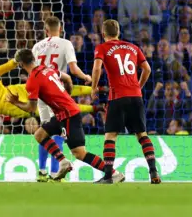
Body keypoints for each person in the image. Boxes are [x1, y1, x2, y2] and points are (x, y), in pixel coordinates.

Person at [8, 49, 123, 182]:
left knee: (80, 153)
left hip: (69, 115)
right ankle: (63, 161)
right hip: (62, 114)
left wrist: (15, 102)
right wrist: (66, 95)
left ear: (21, 64)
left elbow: (32, 108)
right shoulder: (47, 69)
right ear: (33, 59)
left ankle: (113, 173)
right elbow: (67, 78)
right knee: (39, 134)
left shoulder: (32, 80)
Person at [90, 19, 159, 184]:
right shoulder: (133, 47)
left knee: (111, 136)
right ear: (118, 32)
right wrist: (138, 86)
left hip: (117, 96)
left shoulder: (102, 47)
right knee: (142, 135)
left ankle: (108, 176)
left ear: (103, 33)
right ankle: (154, 173)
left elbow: (97, 67)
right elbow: (147, 69)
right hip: (136, 96)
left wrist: (94, 87)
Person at [31, 16, 94, 182]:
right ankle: (55, 173)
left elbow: (32, 71)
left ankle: (42, 172)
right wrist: (86, 76)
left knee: (44, 132)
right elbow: (73, 69)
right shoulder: (65, 43)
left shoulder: (37, 46)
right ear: (60, 29)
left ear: (46, 30)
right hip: (57, 94)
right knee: (59, 132)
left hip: (41, 94)